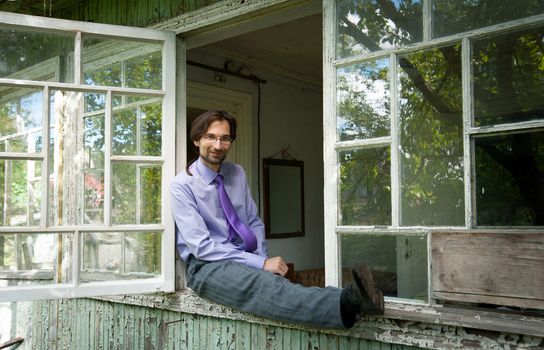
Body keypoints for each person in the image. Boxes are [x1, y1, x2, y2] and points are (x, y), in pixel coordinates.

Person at [170, 110, 384, 328]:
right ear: (196, 140)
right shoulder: (181, 185)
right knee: (263, 286)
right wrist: (260, 263)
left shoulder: (236, 172)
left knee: (276, 283)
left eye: (225, 138)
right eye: (210, 137)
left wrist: (261, 257)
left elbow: (253, 221)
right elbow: (202, 247)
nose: (218, 145)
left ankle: (355, 300)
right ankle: (350, 299)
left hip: (243, 255)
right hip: (207, 265)